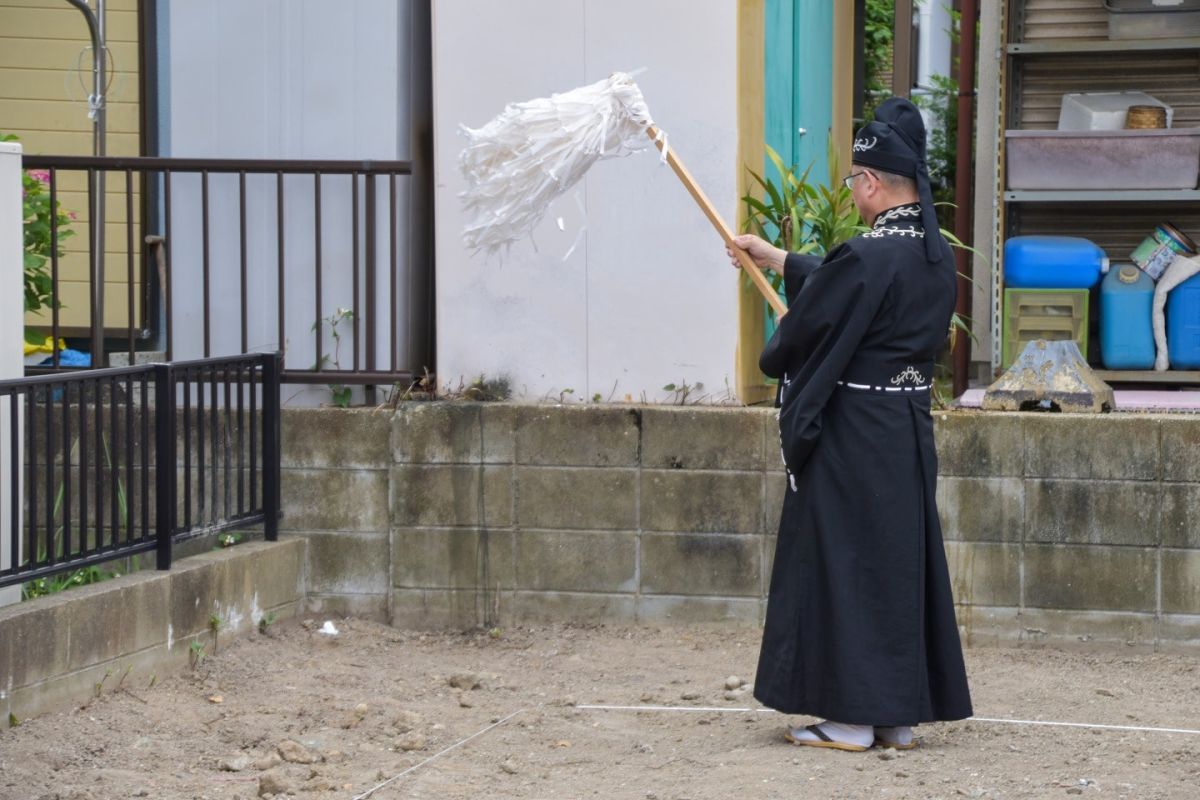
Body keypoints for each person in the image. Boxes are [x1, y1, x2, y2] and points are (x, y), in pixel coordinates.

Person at [727, 97, 973, 752]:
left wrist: (784, 343)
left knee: (845, 561)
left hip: (852, 432)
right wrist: (777, 258)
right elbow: (847, 284)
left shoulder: (868, 255)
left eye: (853, 182)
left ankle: (851, 720)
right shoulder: (930, 255)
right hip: (904, 426)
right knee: (895, 561)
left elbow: (805, 330)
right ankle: (894, 715)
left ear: (868, 182)